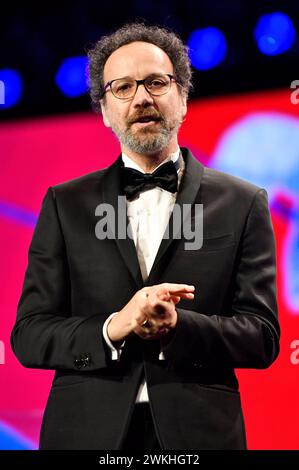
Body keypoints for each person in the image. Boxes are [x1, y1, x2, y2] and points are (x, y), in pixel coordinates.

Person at [11, 22, 280, 451]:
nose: (141, 98)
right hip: (83, 434)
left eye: (156, 82)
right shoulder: (65, 203)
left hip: (201, 435)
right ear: (104, 109)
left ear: (183, 97)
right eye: (122, 87)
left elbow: (262, 337)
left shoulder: (244, 202)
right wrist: (115, 326)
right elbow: (29, 334)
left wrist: (179, 327)